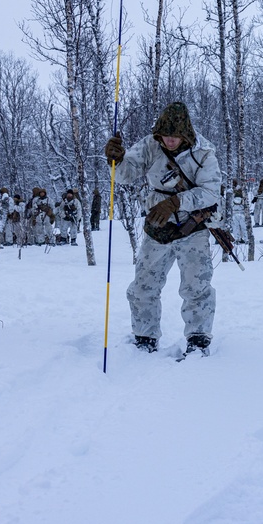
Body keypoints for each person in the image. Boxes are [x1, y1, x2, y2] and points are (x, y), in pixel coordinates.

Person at [103, 101, 221, 356]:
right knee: (144, 285)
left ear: (185, 134)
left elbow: (211, 193)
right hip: (157, 226)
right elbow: (125, 175)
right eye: (165, 136)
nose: (170, 141)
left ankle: (198, 338)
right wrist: (117, 160)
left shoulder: (203, 153)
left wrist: (177, 201)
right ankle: (145, 337)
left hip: (193, 228)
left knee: (196, 286)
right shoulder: (150, 145)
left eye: (175, 136)